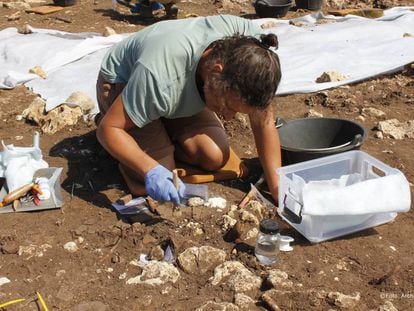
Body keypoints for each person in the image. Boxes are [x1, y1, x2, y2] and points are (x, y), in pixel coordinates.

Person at [96, 15, 282, 205]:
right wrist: (150, 169)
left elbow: (263, 120)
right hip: (124, 83)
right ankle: (120, 113)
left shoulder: (255, 54)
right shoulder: (160, 73)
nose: (229, 117)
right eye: (228, 106)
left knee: (214, 156)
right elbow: (109, 129)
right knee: (163, 171)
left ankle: (158, 122)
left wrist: (277, 187)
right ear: (216, 72)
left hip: (171, 90)